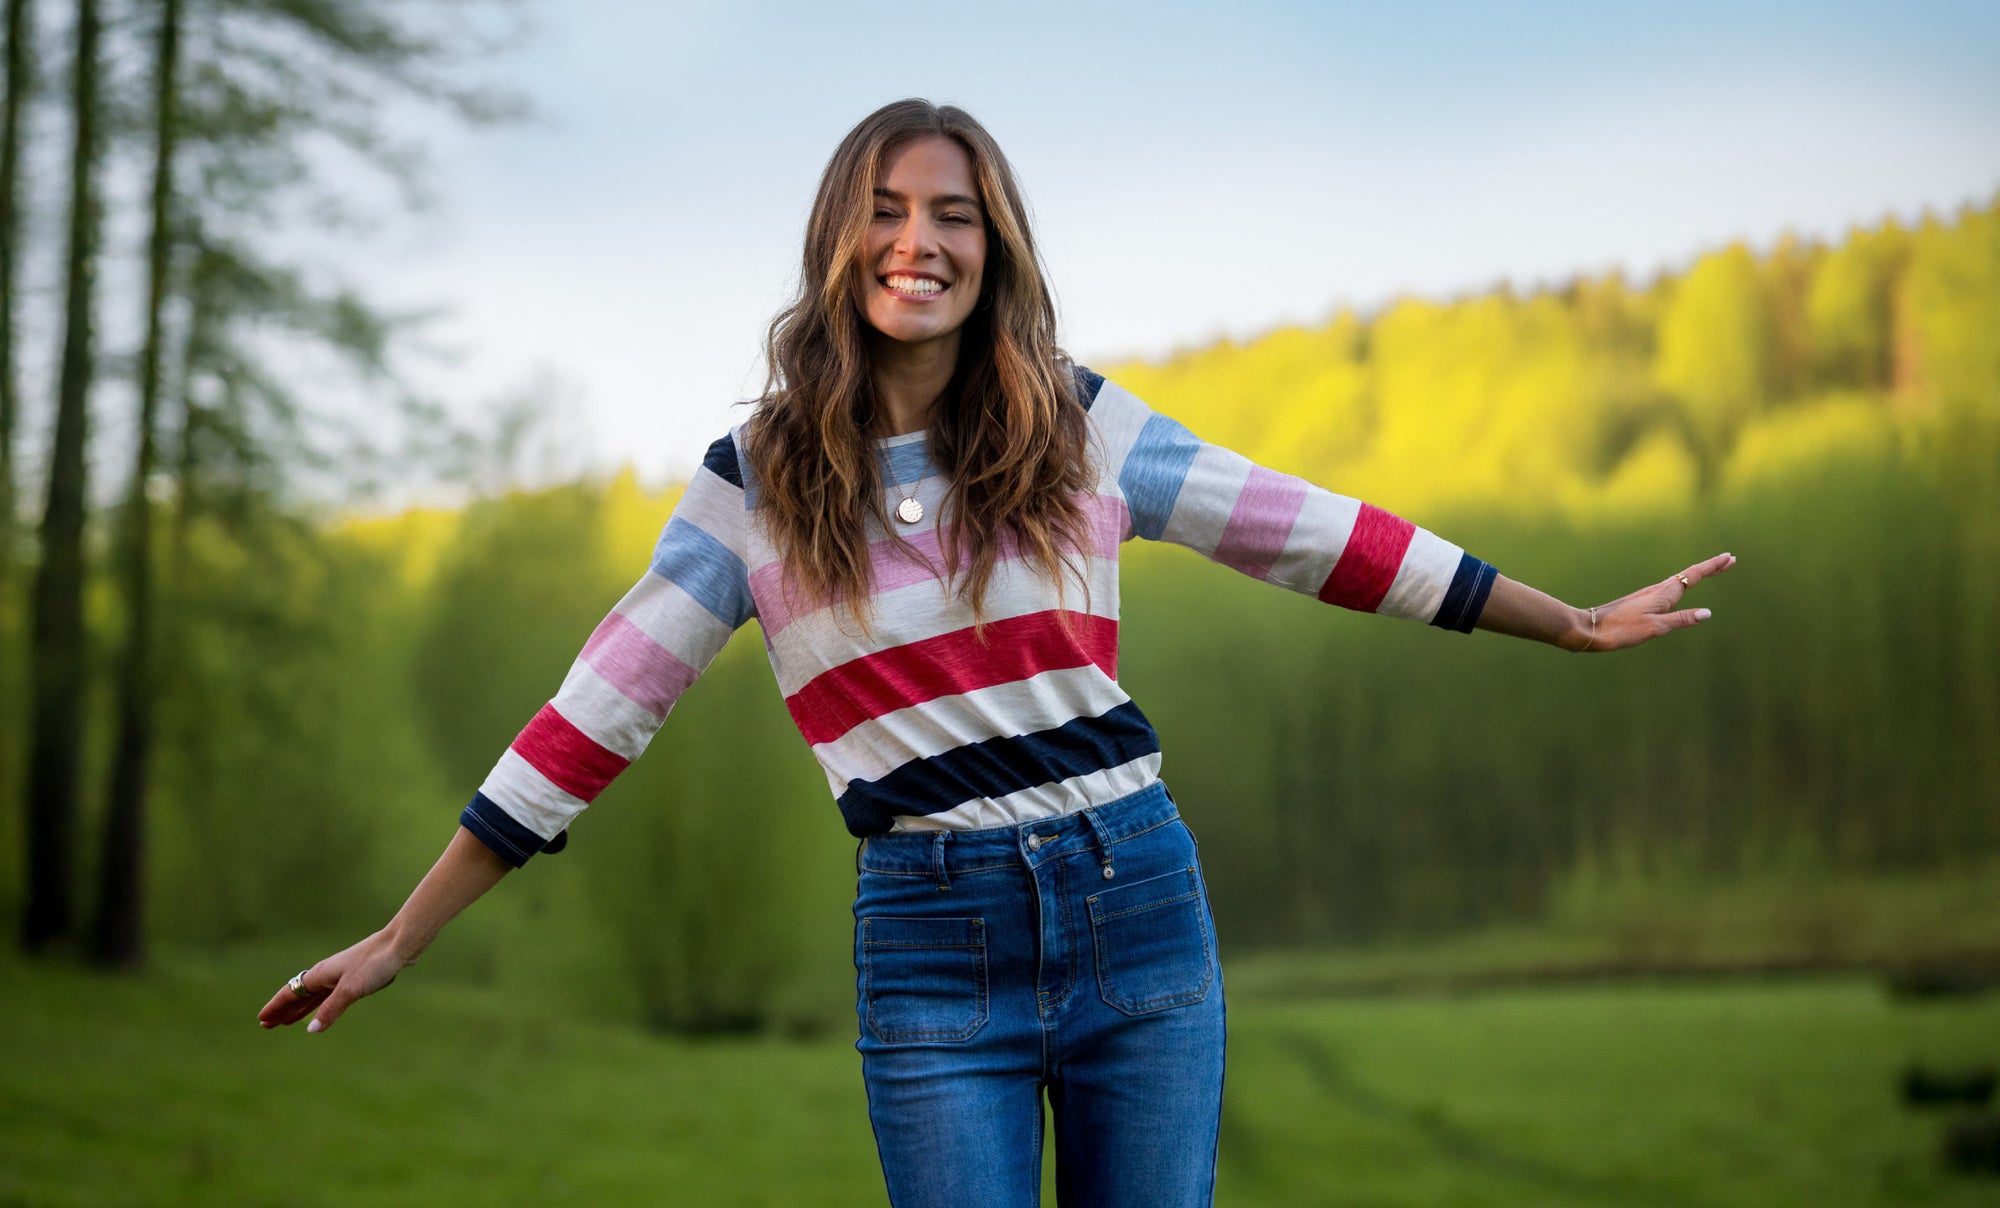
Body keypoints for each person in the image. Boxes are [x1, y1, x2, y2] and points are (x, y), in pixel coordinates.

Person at [259, 98, 1735, 1206]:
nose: (923, 240)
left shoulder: (1078, 424)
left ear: (996, 241)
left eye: (956, 212)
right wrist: (404, 935)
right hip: (932, 942)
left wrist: (1568, 618)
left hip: (1136, 904)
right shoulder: (755, 484)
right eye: (891, 209)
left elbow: (1308, 531)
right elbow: (598, 712)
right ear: (843, 241)